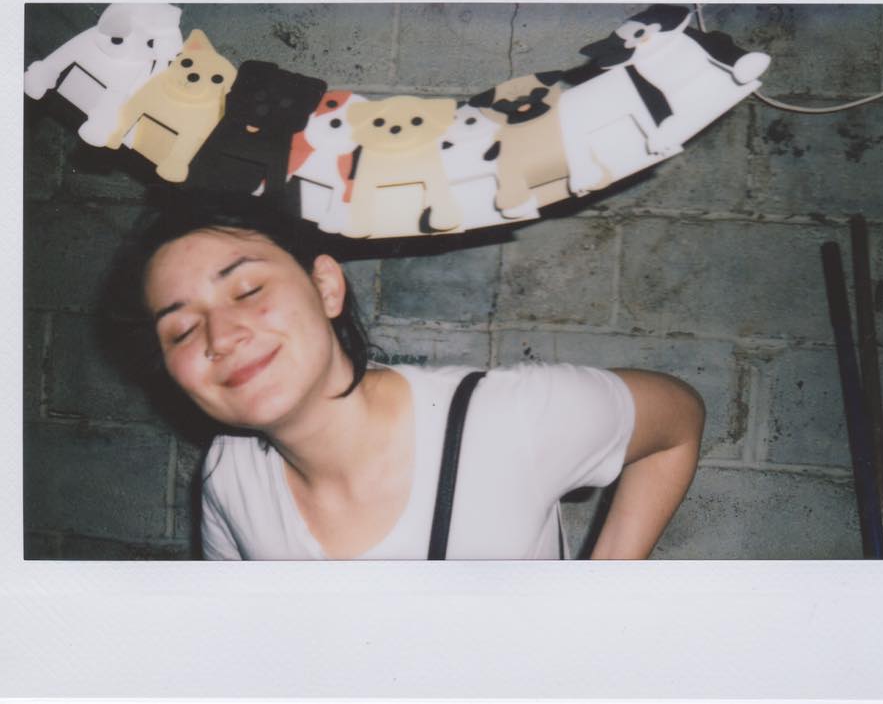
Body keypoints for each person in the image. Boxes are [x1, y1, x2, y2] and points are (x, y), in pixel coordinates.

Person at [115, 193, 704, 560]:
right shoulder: (229, 473)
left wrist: (595, 605)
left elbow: (677, 420)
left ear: (326, 287)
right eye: (181, 330)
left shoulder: (506, 421)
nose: (220, 336)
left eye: (247, 290)